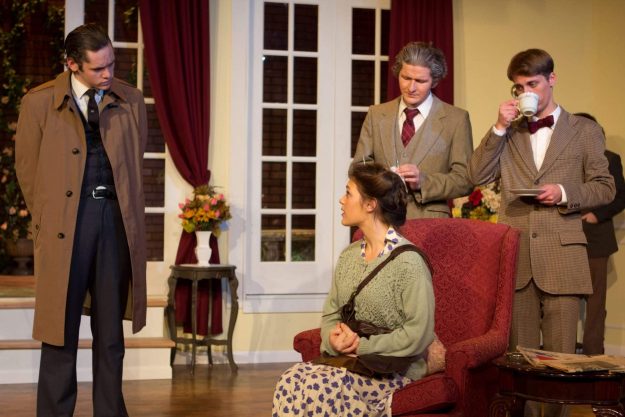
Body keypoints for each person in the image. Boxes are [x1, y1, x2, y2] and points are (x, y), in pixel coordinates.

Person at [469, 49, 615, 417]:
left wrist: (564, 193)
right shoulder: (509, 131)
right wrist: (498, 127)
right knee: (520, 359)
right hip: (517, 252)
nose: (525, 93)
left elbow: (605, 187)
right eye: (518, 88)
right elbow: (477, 175)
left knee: (562, 360)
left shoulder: (584, 131)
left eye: (532, 84)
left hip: (563, 253)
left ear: (551, 79)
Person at [15, 23, 147, 417]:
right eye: (98, 68)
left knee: (110, 333)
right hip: (64, 227)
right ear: (72, 64)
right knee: (59, 330)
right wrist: (48, 217)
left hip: (113, 222)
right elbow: (27, 170)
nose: (108, 74)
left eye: (111, 64)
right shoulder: (39, 102)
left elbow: (134, 161)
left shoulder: (131, 99)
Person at [272, 163, 435, 417]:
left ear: (370, 204)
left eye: (348, 193)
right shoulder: (348, 256)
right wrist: (332, 338)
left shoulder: (408, 262)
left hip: (393, 371)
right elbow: (331, 314)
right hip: (351, 364)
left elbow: (419, 334)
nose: (341, 199)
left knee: (320, 387)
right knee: (291, 379)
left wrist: (361, 345)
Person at [352, 41, 474, 219]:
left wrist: (423, 182)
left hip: (431, 224)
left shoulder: (456, 119)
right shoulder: (376, 114)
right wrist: (383, 179)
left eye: (420, 81)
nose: (411, 88)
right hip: (381, 220)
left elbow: (465, 180)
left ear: (435, 81)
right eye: (406, 78)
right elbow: (358, 167)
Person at [574, 113, 625, 355]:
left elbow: (621, 196)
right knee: (563, 300)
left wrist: (597, 214)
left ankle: (593, 355)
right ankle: (562, 352)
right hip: (564, 238)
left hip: (596, 238)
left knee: (595, 302)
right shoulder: (562, 158)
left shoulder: (610, 158)